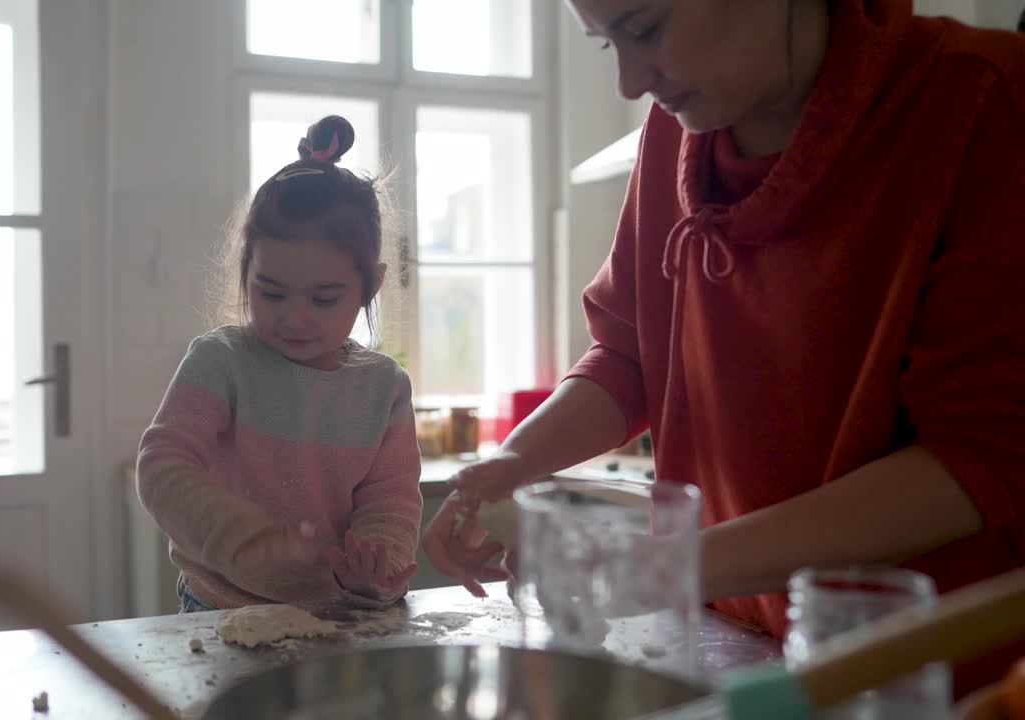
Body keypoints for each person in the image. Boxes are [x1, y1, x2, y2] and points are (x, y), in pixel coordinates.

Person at [423, 0, 1025, 695]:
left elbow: (983, 454)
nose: (628, 80)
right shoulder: (671, 132)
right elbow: (629, 357)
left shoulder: (980, 104)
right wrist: (510, 462)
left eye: (644, 29)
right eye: (604, 44)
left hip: (929, 678)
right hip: (747, 651)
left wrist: (669, 567)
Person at [137, 116, 422, 612]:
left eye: (323, 298)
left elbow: (391, 503)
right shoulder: (220, 361)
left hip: (340, 611)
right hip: (220, 607)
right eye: (270, 292)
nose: (294, 318)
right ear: (245, 274)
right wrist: (249, 541)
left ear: (369, 288)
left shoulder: (385, 388)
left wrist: (376, 560)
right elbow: (163, 467)